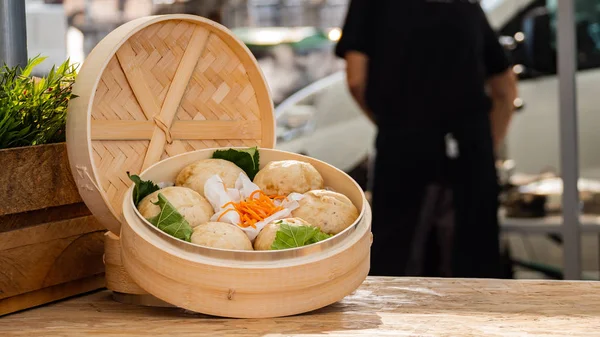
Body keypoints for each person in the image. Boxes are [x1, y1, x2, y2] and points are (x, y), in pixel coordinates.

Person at [335, 0, 518, 278]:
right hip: (469, 148)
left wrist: (393, 124)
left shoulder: (371, 6)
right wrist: (485, 145)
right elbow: (504, 88)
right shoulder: (465, 4)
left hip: (404, 145)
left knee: (397, 263)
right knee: (474, 265)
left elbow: (356, 80)